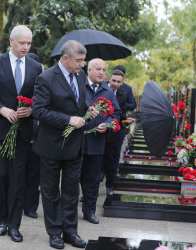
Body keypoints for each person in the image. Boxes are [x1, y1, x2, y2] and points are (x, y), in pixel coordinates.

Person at [0, 25, 42, 242]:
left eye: (29, 43)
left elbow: (42, 98)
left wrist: (32, 110)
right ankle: (2, 220)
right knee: (2, 176)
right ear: (11, 41)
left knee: (17, 179)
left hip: (23, 133)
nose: (26, 47)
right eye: (22, 43)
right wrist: (1, 109)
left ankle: (14, 225)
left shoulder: (35, 67)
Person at [32, 40, 98, 249]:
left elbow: (76, 100)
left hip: (74, 145)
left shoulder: (79, 76)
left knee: (71, 192)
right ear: (65, 58)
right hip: (51, 145)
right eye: (79, 61)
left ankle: (70, 232)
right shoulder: (45, 78)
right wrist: (68, 119)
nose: (82, 65)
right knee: (51, 192)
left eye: (83, 61)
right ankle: (54, 233)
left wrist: (87, 109)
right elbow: (39, 110)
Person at [80, 59, 121, 224]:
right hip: (78, 140)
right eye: (98, 69)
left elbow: (116, 114)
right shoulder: (78, 85)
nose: (101, 73)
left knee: (93, 178)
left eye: (104, 70)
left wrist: (108, 125)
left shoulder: (107, 91)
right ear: (89, 70)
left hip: (97, 142)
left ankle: (89, 211)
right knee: (74, 177)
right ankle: (66, 212)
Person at [103, 69, 135, 196]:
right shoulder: (103, 89)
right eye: (113, 81)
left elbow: (121, 111)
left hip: (117, 127)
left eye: (118, 82)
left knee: (114, 156)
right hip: (101, 125)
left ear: (122, 83)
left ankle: (110, 184)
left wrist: (125, 120)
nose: (115, 83)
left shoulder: (123, 93)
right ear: (109, 79)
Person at [23, 52, 44, 219]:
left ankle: (31, 207)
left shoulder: (44, 85)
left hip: (38, 139)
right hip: (21, 137)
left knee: (34, 176)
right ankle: (18, 204)